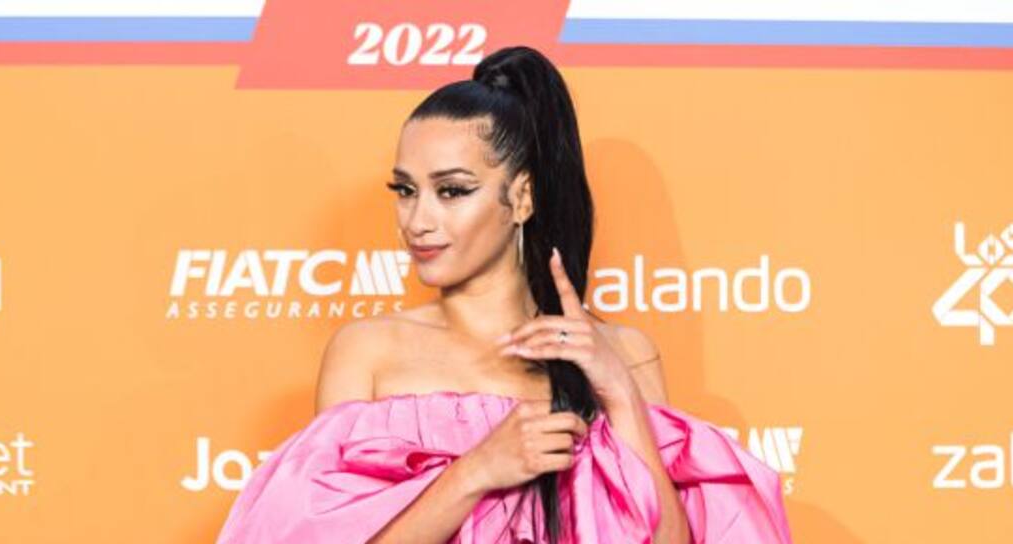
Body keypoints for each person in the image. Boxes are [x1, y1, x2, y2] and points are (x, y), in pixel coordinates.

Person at [215, 45, 793, 543]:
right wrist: (476, 472)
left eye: (452, 191)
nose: (417, 221)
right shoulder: (368, 352)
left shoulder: (624, 353)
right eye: (406, 190)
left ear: (521, 198)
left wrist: (618, 389)